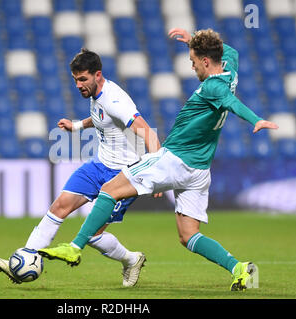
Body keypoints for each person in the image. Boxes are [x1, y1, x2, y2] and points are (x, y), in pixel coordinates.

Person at [37, 28, 279, 291]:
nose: (193, 66)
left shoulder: (212, 86)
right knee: (188, 235)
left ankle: (74, 248)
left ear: (206, 62)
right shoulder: (229, 67)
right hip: (199, 169)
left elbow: (231, 102)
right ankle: (239, 268)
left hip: (175, 159)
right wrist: (193, 40)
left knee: (108, 191)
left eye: (194, 61)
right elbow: (230, 50)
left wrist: (256, 120)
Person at [0, 48, 161, 287]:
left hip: (124, 175)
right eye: (75, 80)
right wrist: (78, 125)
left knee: (92, 235)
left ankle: (131, 259)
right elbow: (102, 117)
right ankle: (25, 258)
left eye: (83, 79)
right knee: (59, 206)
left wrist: (156, 170)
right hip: (99, 164)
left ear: (97, 75)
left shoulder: (115, 99)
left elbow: (145, 130)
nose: (79, 85)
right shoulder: (97, 95)